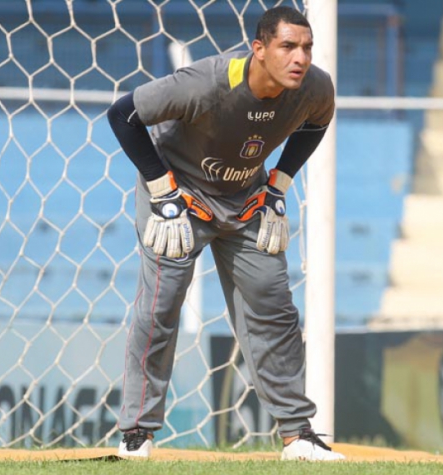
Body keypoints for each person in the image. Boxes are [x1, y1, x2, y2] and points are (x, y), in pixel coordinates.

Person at [107, 6, 344, 462]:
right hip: (178, 200)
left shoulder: (315, 87)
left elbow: (318, 123)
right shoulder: (206, 82)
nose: (301, 57)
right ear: (259, 49)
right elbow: (123, 115)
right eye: (288, 46)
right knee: (160, 307)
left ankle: (298, 437)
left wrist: (280, 184)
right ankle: (136, 432)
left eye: (307, 47)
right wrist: (163, 191)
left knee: (274, 306)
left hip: (246, 200)